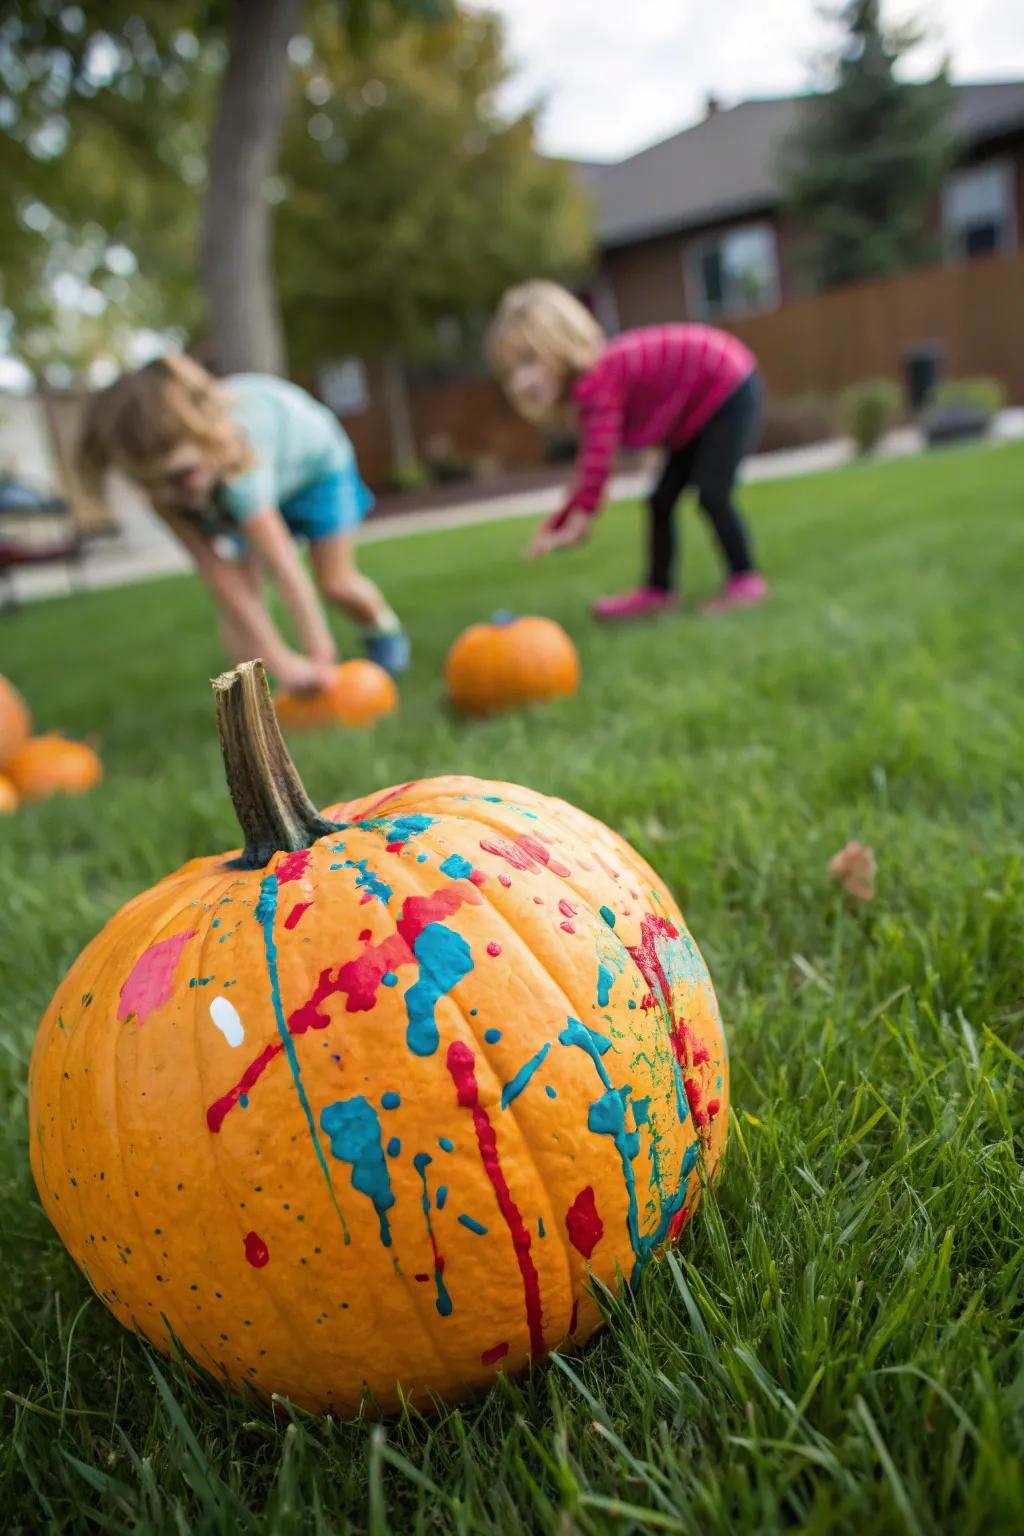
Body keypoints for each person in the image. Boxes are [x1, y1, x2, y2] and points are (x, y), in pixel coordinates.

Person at [78, 356, 409, 690]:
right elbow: (219, 576)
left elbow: (284, 567)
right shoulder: (168, 490)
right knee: (242, 593)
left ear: (207, 439)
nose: (172, 496)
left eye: (180, 476)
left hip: (315, 470)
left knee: (337, 582)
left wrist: (319, 658)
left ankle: (382, 631)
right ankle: (252, 701)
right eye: (151, 484)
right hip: (235, 485)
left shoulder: (239, 463)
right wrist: (283, 664)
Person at [489, 280, 767, 618]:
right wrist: (566, 517)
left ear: (560, 344)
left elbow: (598, 461)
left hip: (726, 388)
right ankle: (657, 591)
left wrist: (580, 521)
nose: (520, 381)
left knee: (712, 492)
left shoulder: (599, 378)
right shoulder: (596, 381)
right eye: (511, 370)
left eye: (529, 361)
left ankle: (745, 579)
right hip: (697, 409)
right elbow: (590, 464)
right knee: (660, 501)